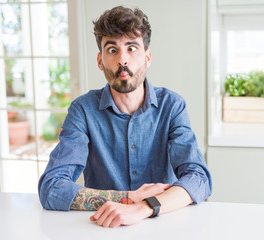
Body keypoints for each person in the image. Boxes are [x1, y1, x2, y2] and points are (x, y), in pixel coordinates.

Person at [38, 5, 212, 228]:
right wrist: (128, 198)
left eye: (132, 48)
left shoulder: (172, 106)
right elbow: (52, 188)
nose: (123, 60)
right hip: (101, 228)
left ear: (147, 57)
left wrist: (143, 207)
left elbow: (198, 178)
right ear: (100, 61)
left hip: (164, 226)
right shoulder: (82, 110)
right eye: (112, 50)